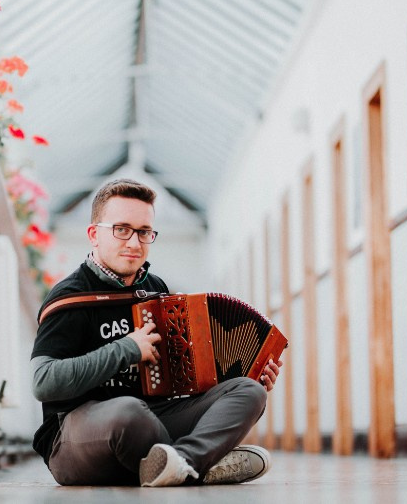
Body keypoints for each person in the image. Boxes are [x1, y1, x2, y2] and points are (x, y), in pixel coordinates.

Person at [30, 178, 282, 487]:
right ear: (94, 234)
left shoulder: (156, 291)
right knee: (129, 412)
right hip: (76, 439)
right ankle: (201, 465)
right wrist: (126, 349)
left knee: (248, 392)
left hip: (153, 419)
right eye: (121, 229)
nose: (135, 243)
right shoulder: (70, 298)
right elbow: (44, 382)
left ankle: (181, 463)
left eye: (144, 232)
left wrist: (247, 373)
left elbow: (180, 378)